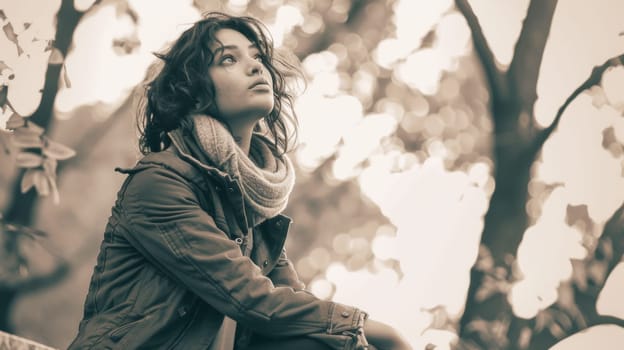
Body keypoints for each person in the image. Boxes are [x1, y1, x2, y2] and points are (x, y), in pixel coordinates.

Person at [68, 12, 411, 350]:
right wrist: (374, 331)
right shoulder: (159, 183)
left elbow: (295, 310)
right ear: (196, 91)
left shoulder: (252, 205)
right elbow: (254, 301)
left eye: (257, 56)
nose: (256, 66)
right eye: (228, 59)